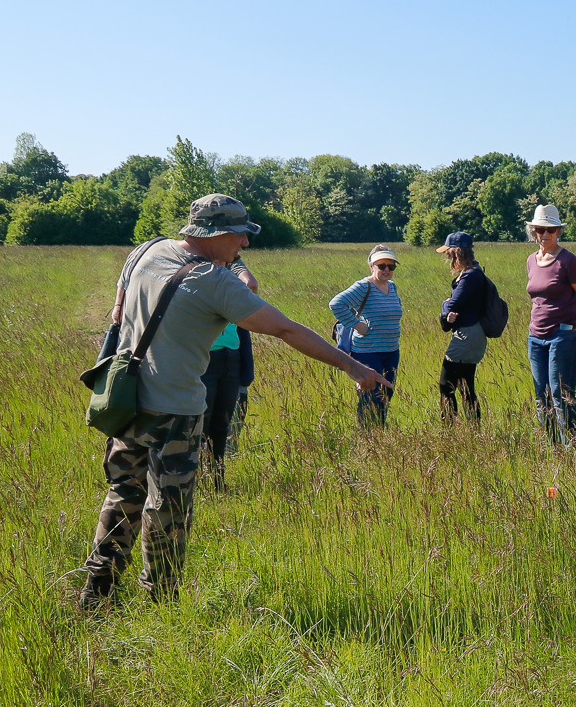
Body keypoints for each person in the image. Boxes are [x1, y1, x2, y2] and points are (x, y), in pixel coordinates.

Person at [81, 194, 389, 609]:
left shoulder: (149, 251)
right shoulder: (212, 281)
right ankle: (162, 604)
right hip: (174, 411)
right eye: (241, 236)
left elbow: (119, 311)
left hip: (126, 398)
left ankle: (95, 593)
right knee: (168, 510)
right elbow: (284, 329)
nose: (244, 245)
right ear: (220, 233)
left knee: (123, 492)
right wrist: (352, 367)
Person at [525, 204, 576, 442]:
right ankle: (553, 445)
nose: (545, 235)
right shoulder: (531, 261)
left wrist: (563, 310)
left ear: (558, 232)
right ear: (533, 230)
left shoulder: (568, 261)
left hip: (564, 335)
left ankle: (572, 448)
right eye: (539, 229)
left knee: (561, 394)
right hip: (536, 337)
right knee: (540, 395)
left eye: (550, 230)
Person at [198, 255, 257, 488]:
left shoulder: (230, 280)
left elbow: (250, 285)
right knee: (202, 422)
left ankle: (217, 479)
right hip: (205, 358)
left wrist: (232, 261)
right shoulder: (197, 276)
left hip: (230, 357)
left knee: (222, 424)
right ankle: (200, 477)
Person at [330, 246, 404, 427]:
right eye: (382, 265)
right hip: (367, 352)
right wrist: (356, 324)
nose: (387, 269)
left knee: (386, 395)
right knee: (370, 396)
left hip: (391, 351)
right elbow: (336, 304)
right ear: (372, 266)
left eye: (391, 266)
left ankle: (380, 432)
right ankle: (367, 436)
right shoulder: (364, 286)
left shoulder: (392, 287)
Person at [436, 231, 489, 421]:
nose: (446, 255)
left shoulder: (470, 276)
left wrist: (444, 304)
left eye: (448, 251)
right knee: (465, 386)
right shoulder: (472, 272)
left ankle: (450, 433)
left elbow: (452, 305)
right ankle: (474, 432)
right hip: (473, 333)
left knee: (445, 385)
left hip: (467, 335)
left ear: (457, 252)